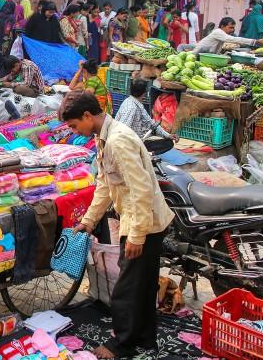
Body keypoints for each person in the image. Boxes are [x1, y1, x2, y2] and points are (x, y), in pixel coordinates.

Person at [60, 91, 174, 360]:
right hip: (142, 221)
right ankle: (143, 338)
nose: (76, 131)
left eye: (75, 126)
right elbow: (105, 186)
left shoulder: (118, 141)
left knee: (125, 288)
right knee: (142, 285)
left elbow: (141, 190)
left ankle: (122, 344)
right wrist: (89, 221)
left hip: (144, 223)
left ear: (88, 116)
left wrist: (137, 235)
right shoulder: (105, 138)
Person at [191, 17, 263, 54]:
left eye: (233, 28)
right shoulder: (218, 32)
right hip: (198, 54)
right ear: (222, 26)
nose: (232, 30)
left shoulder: (221, 33)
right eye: (230, 27)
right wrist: (255, 41)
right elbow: (234, 39)